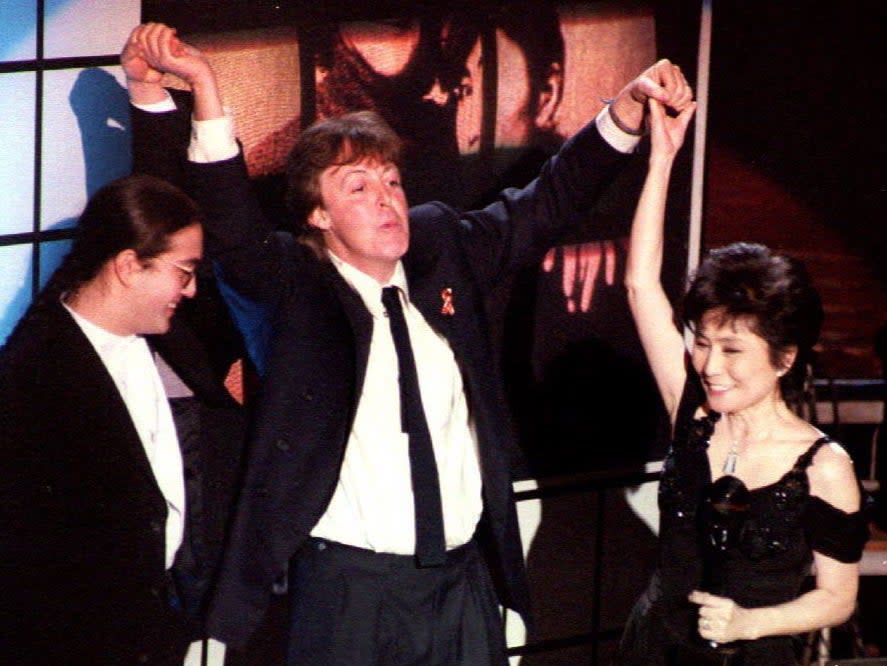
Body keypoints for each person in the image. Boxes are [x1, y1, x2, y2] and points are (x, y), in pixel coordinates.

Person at [123, 22, 693, 665]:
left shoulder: (442, 245)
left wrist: (625, 110)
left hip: (463, 585)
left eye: (391, 182)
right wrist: (200, 87)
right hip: (349, 594)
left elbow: (548, 203)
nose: (386, 202)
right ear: (317, 215)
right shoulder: (296, 285)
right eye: (357, 189)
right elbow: (227, 223)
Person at [618, 95, 869, 664]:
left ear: (784, 359)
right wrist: (662, 159)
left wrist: (750, 623)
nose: (709, 365)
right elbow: (639, 284)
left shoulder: (823, 466)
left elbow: (837, 598)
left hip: (750, 654)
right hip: (655, 647)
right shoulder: (694, 414)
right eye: (702, 344)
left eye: (732, 349)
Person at [0, 174, 245, 664]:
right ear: (129, 266)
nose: (192, 290)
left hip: (170, 631)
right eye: (184, 271)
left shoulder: (170, 336)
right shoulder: (31, 377)